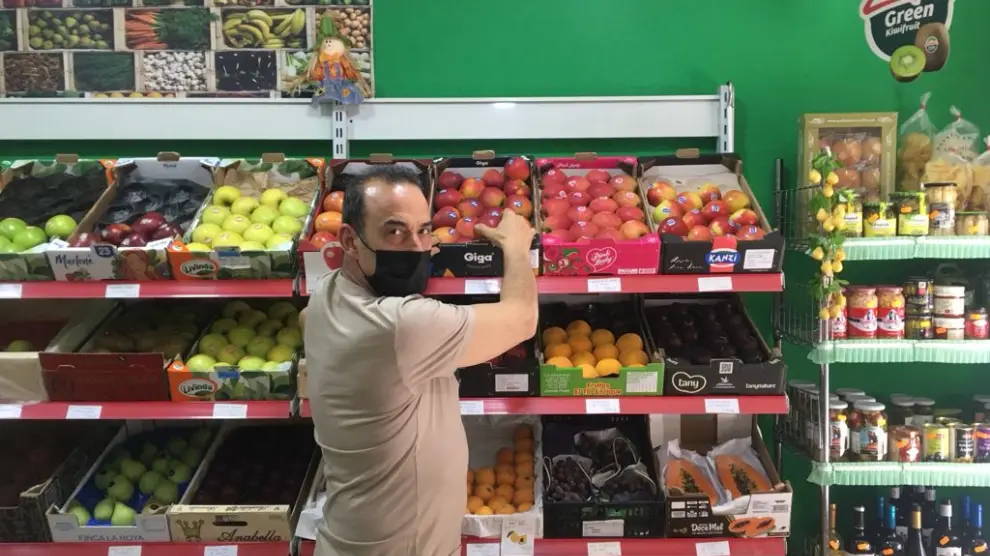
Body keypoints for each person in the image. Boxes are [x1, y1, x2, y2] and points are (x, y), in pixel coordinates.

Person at [302, 165, 537, 556]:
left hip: (350, 538)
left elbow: (304, 319)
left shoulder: (328, 293)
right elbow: (522, 319)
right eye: (395, 232)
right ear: (349, 240)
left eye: (424, 231)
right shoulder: (399, 325)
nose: (415, 247)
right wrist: (515, 247)